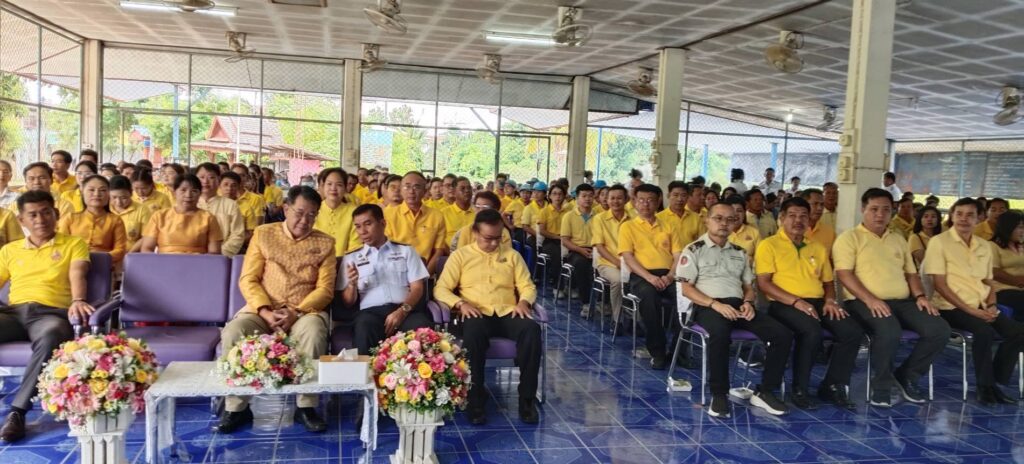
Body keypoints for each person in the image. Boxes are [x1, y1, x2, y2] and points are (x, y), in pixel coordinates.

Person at [214, 186, 336, 434]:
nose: (304, 221)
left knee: (314, 332)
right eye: (299, 213)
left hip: (303, 312)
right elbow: (248, 279)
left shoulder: (325, 243)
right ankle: (236, 407)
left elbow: (325, 289)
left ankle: (306, 406)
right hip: (262, 310)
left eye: (312, 215)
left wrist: (297, 312)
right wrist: (265, 311)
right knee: (234, 331)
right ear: (286, 208)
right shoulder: (263, 234)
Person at [833, 188, 950, 407]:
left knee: (939, 329)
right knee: (889, 330)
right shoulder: (849, 238)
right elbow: (844, 274)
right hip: (862, 302)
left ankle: (907, 375)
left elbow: (911, 274)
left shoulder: (898, 239)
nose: (880, 214)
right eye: (874, 209)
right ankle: (881, 385)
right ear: (863, 209)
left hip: (903, 301)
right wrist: (870, 299)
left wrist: (920, 296)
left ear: (892, 211)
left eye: (886, 210)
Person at [678, 203, 793, 418]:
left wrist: (748, 302)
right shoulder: (694, 250)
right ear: (707, 220)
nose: (724, 223)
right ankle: (719, 394)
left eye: (730, 219)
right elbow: (686, 289)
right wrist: (715, 304)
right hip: (707, 305)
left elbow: (749, 287)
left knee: (782, 334)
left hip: (739, 305)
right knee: (720, 334)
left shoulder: (740, 253)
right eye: (718, 218)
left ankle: (766, 391)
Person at [0, 191, 92, 442]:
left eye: (45, 212)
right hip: (14, 313)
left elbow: (78, 273)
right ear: (22, 220)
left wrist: (78, 299)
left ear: (56, 214)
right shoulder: (9, 250)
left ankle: (17, 412)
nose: (40, 219)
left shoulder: (74, 244)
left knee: (53, 333)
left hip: (49, 314)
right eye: (32, 215)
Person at [756, 197, 864, 410]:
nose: (798, 220)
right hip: (783, 303)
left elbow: (828, 282)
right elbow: (764, 284)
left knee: (852, 331)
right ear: (781, 218)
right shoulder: (769, 245)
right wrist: (796, 301)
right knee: (811, 330)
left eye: (803, 216)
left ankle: (832, 385)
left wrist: (830, 300)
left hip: (818, 302)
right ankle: (800, 389)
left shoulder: (818, 247)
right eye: (792, 216)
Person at [435, 209, 541, 424]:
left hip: (507, 311)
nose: (493, 243)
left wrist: (524, 301)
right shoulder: (460, 256)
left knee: (531, 329)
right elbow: (441, 289)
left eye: (498, 238)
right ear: (475, 232)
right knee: (473, 333)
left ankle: (527, 399)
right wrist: (460, 303)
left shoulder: (512, 256)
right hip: (475, 312)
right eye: (488, 238)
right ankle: (475, 400)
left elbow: (527, 285)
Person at [924, 197, 1024, 405]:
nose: (964, 219)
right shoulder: (939, 242)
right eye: (959, 214)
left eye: (970, 215)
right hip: (949, 306)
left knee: (1017, 332)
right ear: (952, 216)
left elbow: (988, 281)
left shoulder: (983, 246)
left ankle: (996, 381)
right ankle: (985, 387)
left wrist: (992, 305)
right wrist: (972, 311)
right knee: (983, 331)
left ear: (979, 218)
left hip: (981, 304)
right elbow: (940, 285)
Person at [340, 203, 433, 356]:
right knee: (364, 327)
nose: (362, 231)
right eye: (358, 226)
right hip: (370, 313)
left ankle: (421, 372)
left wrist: (402, 311)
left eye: (368, 224)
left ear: (382, 223)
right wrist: (351, 284)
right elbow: (348, 302)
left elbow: (417, 287)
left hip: (405, 309)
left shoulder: (406, 251)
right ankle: (365, 372)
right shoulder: (352, 258)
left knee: (421, 327)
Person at [619, 184, 683, 370]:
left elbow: (678, 255)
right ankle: (658, 350)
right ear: (635, 202)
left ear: (658, 202)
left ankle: (679, 350)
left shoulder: (669, 225)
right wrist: (649, 277)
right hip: (641, 275)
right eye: (641, 200)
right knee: (649, 297)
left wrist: (670, 276)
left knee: (686, 298)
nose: (646, 204)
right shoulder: (628, 226)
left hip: (668, 274)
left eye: (650, 200)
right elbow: (628, 257)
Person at [140, 174, 223, 254]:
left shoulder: (208, 218)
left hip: (197, 262)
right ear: (174, 192)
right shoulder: (159, 216)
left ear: (200, 194)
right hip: (164, 262)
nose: (188, 195)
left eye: (194, 191)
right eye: (183, 190)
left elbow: (214, 252)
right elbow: (147, 248)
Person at [384, 172, 446, 274]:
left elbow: (438, 251)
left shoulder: (436, 216)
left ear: (425, 191)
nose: (411, 191)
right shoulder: (388, 215)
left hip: (425, 271)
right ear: (401, 190)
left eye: (416, 187)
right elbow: (385, 249)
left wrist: (424, 275)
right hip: (394, 271)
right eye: (407, 187)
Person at [57, 175, 127, 265]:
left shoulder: (115, 220)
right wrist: (79, 258)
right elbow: (61, 245)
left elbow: (120, 250)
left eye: (102, 190)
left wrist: (98, 259)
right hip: (72, 263)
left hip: (103, 264)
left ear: (108, 194)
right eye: (91, 190)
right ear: (82, 192)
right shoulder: (70, 218)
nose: (97, 194)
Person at [591, 184, 630, 325]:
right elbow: (599, 247)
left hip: (631, 262)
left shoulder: (633, 218)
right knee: (618, 281)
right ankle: (617, 320)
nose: (615, 201)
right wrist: (618, 263)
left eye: (619, 198)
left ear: (626, 199)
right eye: (612, 198)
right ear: (607, 200)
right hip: (607, 263)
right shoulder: (599, 219)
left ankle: (636, 319)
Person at [194, 163, 245, 256]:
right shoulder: (189, 204)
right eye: (201, 177)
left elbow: (237, 234)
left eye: (211, 177)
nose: (205, 181)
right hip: (192, 256)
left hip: (221, 256)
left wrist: (220, 254)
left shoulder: (231, 205)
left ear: (218, 180)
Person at [561, 184, 596, 317]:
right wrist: (580, 250)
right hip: (575, 250)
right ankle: (586, 303)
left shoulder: (599, 216)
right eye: (584, 196)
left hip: (596, 249)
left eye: (590, 196)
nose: (587, 199)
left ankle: (603, 302)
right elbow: (565, 240)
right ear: (577, 198)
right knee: (582, 265)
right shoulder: (569, 216)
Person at [312, 168, 360, 257]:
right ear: (323, 186)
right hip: (315, 261)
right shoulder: (313, 210)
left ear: (345, 188)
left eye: (339, 185)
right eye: (329, 184)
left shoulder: (354, 211)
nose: (333, 188)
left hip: (345, 263)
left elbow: (355, 245)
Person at [991, 211, 1024, 321]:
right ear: (1008, 228)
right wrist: (1018, 281)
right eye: (1020, 227)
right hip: (1002, 291)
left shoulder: (1021, 245)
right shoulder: (992, 246)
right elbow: (994, 272)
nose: (1022, 231)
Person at [109, 175, 151, 253]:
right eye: (114, 197)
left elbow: (145, 237)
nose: (118, 202)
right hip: (106, 253)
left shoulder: (142, 210)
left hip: (132, 253)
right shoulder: (105, 209)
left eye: (123, 198)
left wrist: (130, 254)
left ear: (131, 193)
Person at [539, 184, 569, 288]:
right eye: (554, 194)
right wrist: (557, 237)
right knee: (557, 254)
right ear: (550, 196)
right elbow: (542, 231)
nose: (557, 196)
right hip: (550, 240)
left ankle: (572, 285)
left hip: (566, 240)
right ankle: (558, 286)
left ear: (564, 196)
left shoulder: (568, 212)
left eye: (560, 194)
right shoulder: (544, 211)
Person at [231, 166, 267, 236]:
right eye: (235, 175)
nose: (238, 178)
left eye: (242, 175)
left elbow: (256, 226)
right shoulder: (221, 196)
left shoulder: (256, 199)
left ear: (247, 178)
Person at [799, 188, 837, 253]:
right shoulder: (790, 230)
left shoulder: (830, 233)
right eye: (815, 204)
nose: (819, 208)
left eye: (822, 205)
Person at [441, 177, 474, 247]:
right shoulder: (443, 213)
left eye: (469, 188)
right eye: (462, 188)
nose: (467, 191)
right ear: (454, 192)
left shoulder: (478, 212)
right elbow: (439, 240)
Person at [520, 182, 548, 250]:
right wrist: (538, 235)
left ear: (545, 194)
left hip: (548, 235)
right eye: (534, 191)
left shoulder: (549, 207)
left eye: (539, 192)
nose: (536, 194)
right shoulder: (528, 208)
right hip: (533, 235)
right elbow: (525, 226)